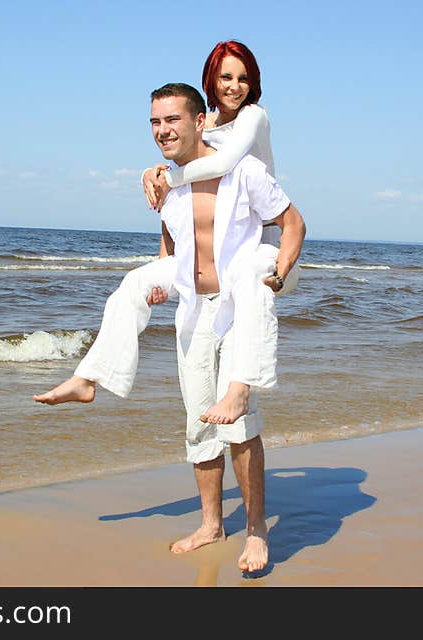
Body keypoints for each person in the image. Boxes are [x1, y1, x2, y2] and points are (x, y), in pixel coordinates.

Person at [34, 41, 298, 428]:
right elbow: (178, 226)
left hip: (264, 248)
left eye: (244, 78)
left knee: (248, 280)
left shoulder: (253, 117)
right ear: (211, 79)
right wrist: (163, 281)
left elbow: (222, 162)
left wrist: (162, 175)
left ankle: (241, 387)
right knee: (133, 283)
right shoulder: (201, 124)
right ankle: (88, 377)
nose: (234, 86)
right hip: (222, 256)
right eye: (226, 76)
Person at [148, 82, 305, 572]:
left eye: (172, 119)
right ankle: (212, 523)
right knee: (199, 423)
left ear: (200, 121)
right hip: (192, 313)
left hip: (236, 309)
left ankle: (256, 531)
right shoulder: (166, 183)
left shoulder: (244, 170)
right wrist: (160, 281)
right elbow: (170, 245)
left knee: (238, 425)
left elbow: (293, 223)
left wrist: (277, 275)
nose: (162, 130)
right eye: (155, 122)